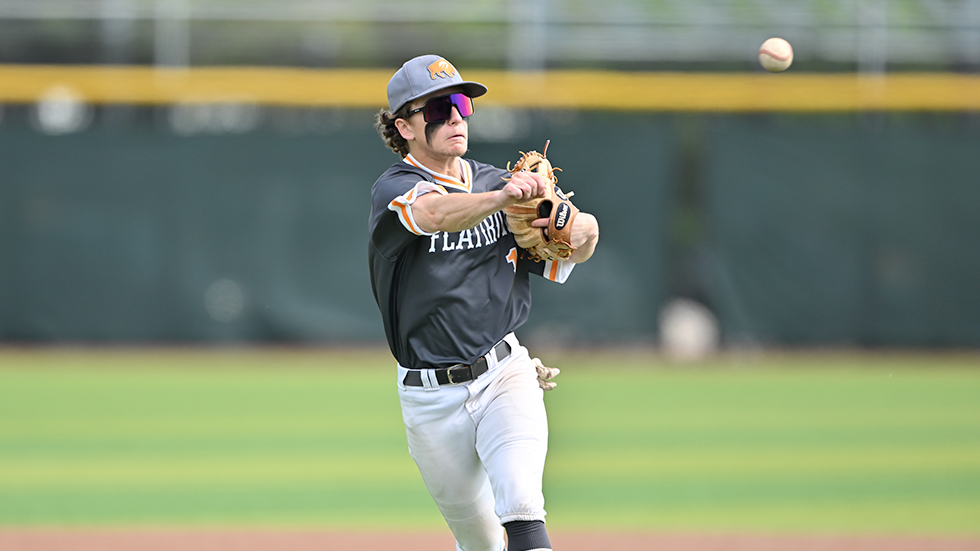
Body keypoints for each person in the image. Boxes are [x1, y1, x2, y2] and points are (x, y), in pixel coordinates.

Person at [368, 54, 599, 551]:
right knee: (481, 544)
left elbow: (574, 248)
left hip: (504, 376)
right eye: (438, 109)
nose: (456, 116)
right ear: (404, 127)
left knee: (522, 509)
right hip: (429, 399)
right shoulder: (394, 189)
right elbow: (434, 214)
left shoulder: (499, 184)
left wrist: (581, 228)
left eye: (461, 104)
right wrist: (501, 199)